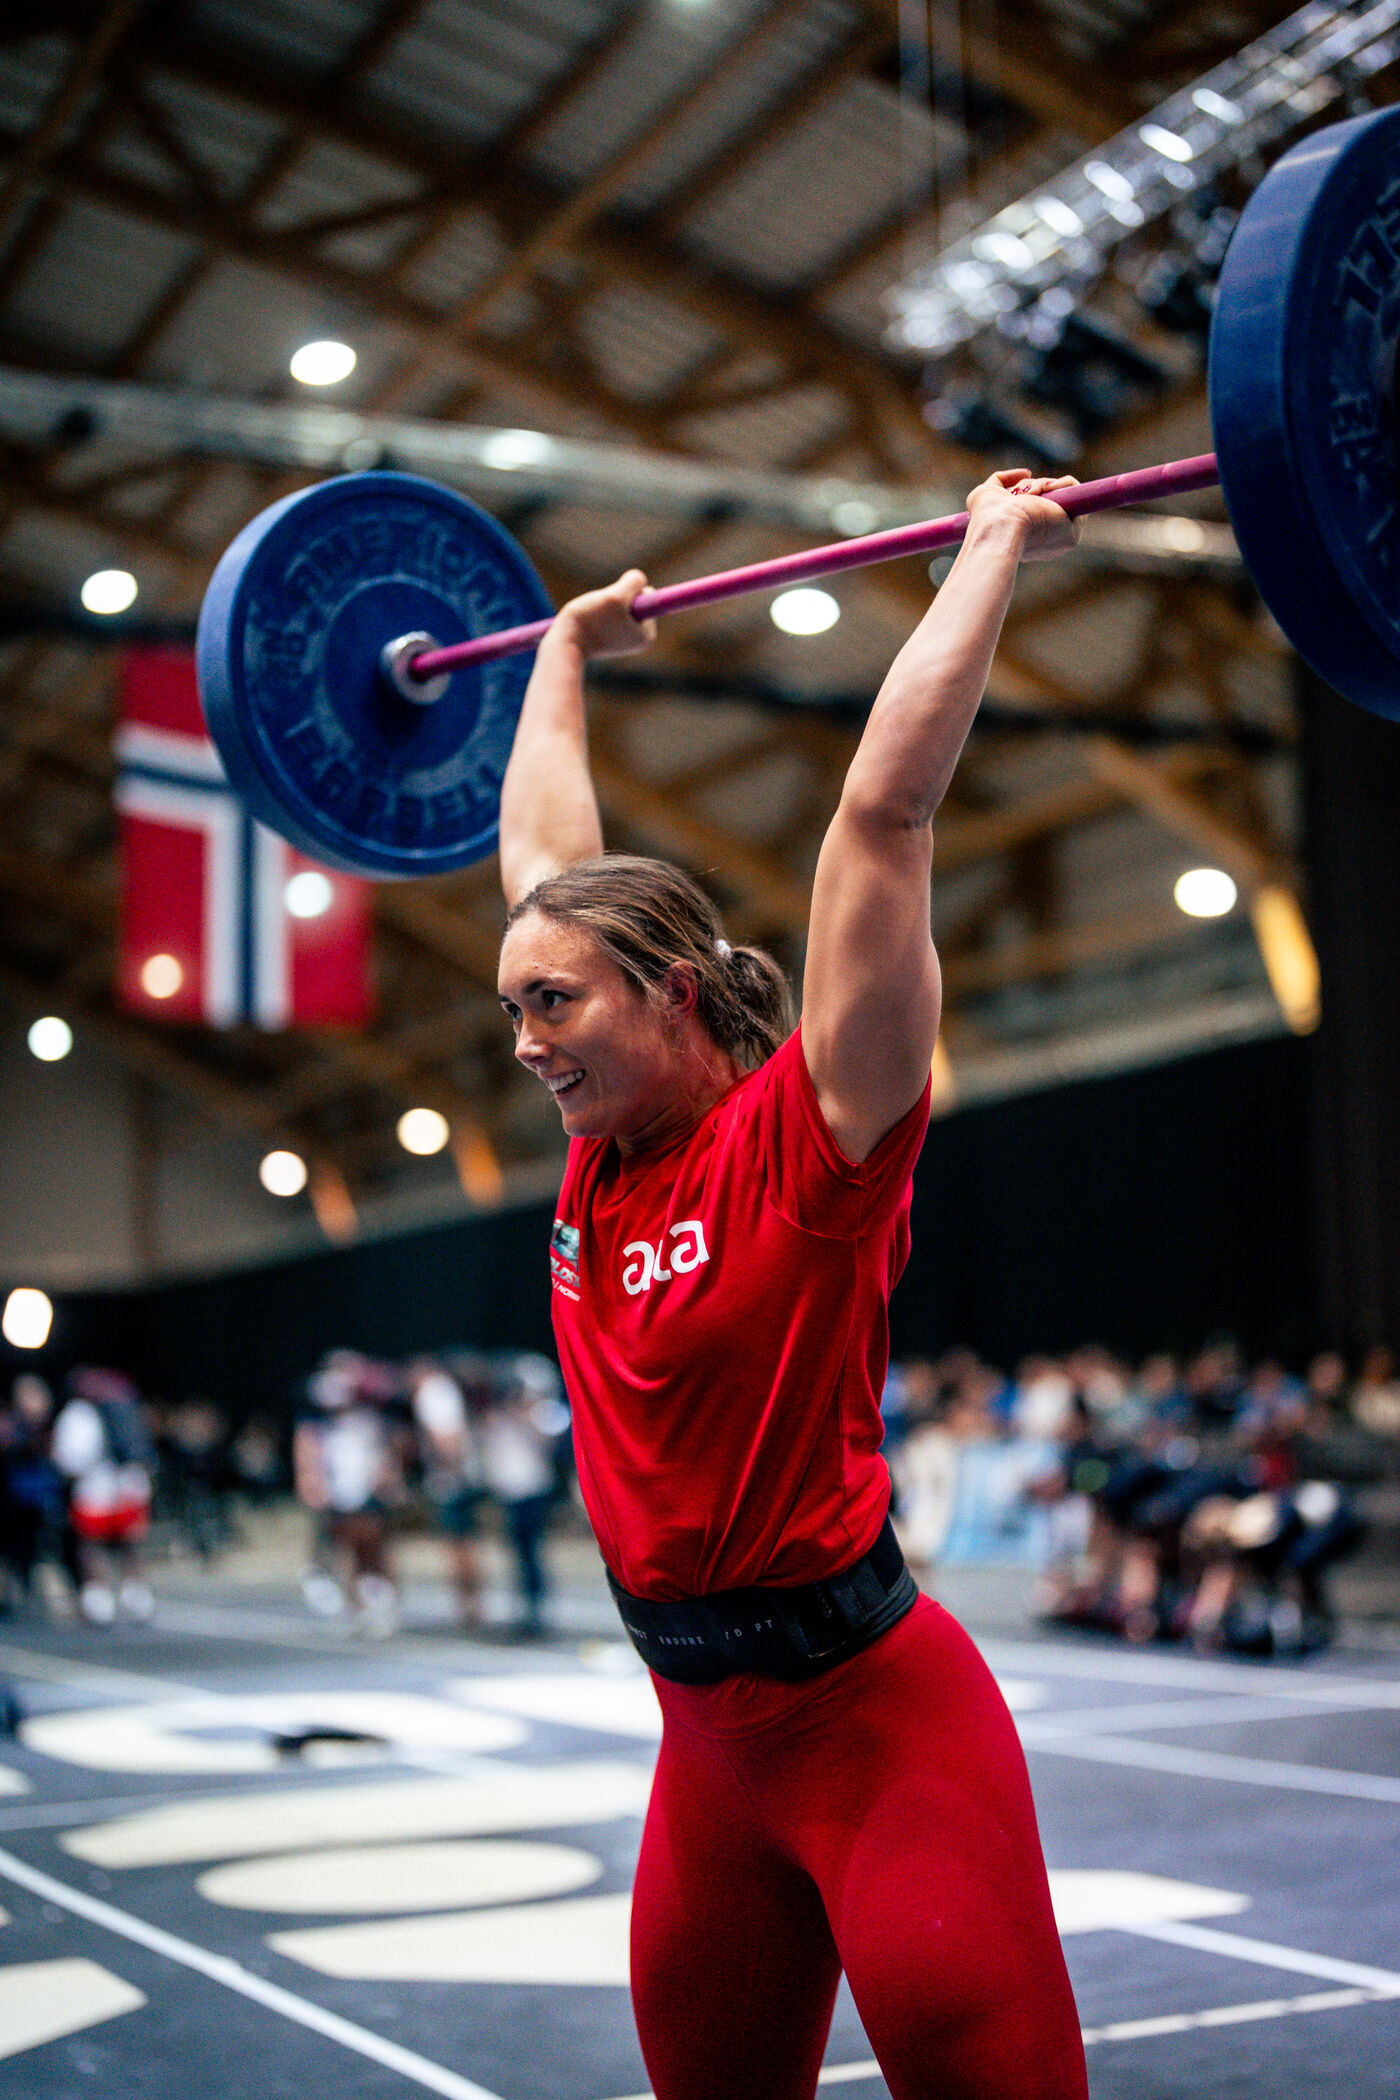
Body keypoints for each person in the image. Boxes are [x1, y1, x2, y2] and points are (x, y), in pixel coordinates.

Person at [494, 468, 1088, 2100]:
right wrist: (560, 649)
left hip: (877, 1733)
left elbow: (880, 822)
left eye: (552, 1007)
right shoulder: (598, 1159)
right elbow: (546, 858)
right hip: (705, 1752)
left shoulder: (814, 1141)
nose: (527, 1045)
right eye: (515, 1013)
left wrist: (989, 552)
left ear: (671, 994)